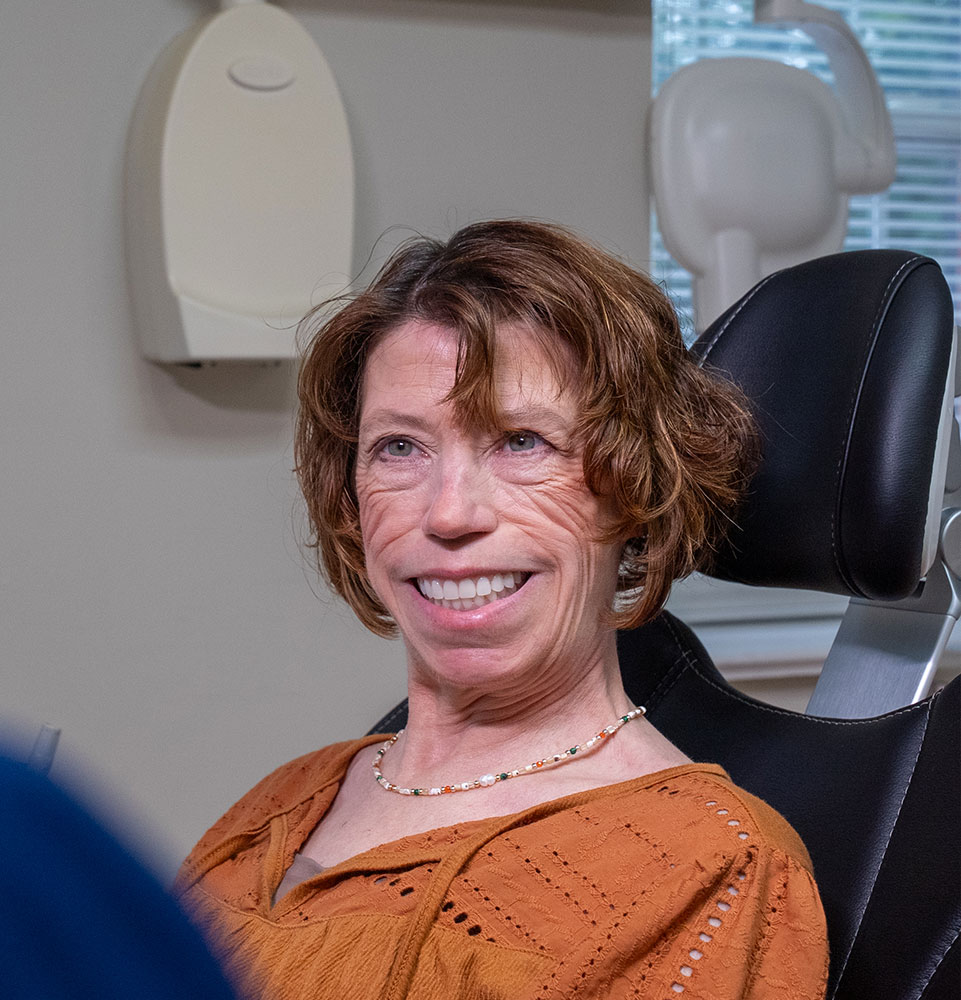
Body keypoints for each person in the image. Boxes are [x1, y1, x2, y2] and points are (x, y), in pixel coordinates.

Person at [176, 220, 829, 999]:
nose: (449, 513)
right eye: (398, 447)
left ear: (636, 487)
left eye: (521, 442)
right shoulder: (280, 803)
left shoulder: (710, 871)